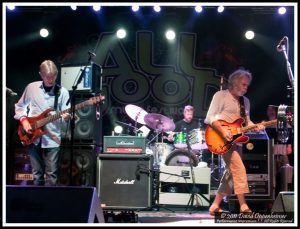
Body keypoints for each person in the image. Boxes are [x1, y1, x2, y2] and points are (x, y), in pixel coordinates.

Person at [204, 69, 265, 215]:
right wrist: (223, 131)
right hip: (220, 138)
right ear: (235, 82)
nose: (246, 87)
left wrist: (256, 127)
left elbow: (246, 122)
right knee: (239, 169)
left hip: (237, 141)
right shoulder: (221, 96)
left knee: (230, 174)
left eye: (247, 85)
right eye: (244, 84)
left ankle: (215, 205)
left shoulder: (245, 101)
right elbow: (210, 117)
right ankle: (243, 206)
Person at [14, 60, 71, 186]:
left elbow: (65, 118)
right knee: (37, 175)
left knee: (52, 175)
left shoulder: (63, 92)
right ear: (41, 75)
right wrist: (24, 121)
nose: (51, 80)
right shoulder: (31, 88)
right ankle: (38, 203)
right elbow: (19, 106)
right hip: (33, 136)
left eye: (53, 77)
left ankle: (50, 203)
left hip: (52, 138)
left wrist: (66, 118)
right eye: (47, 77)